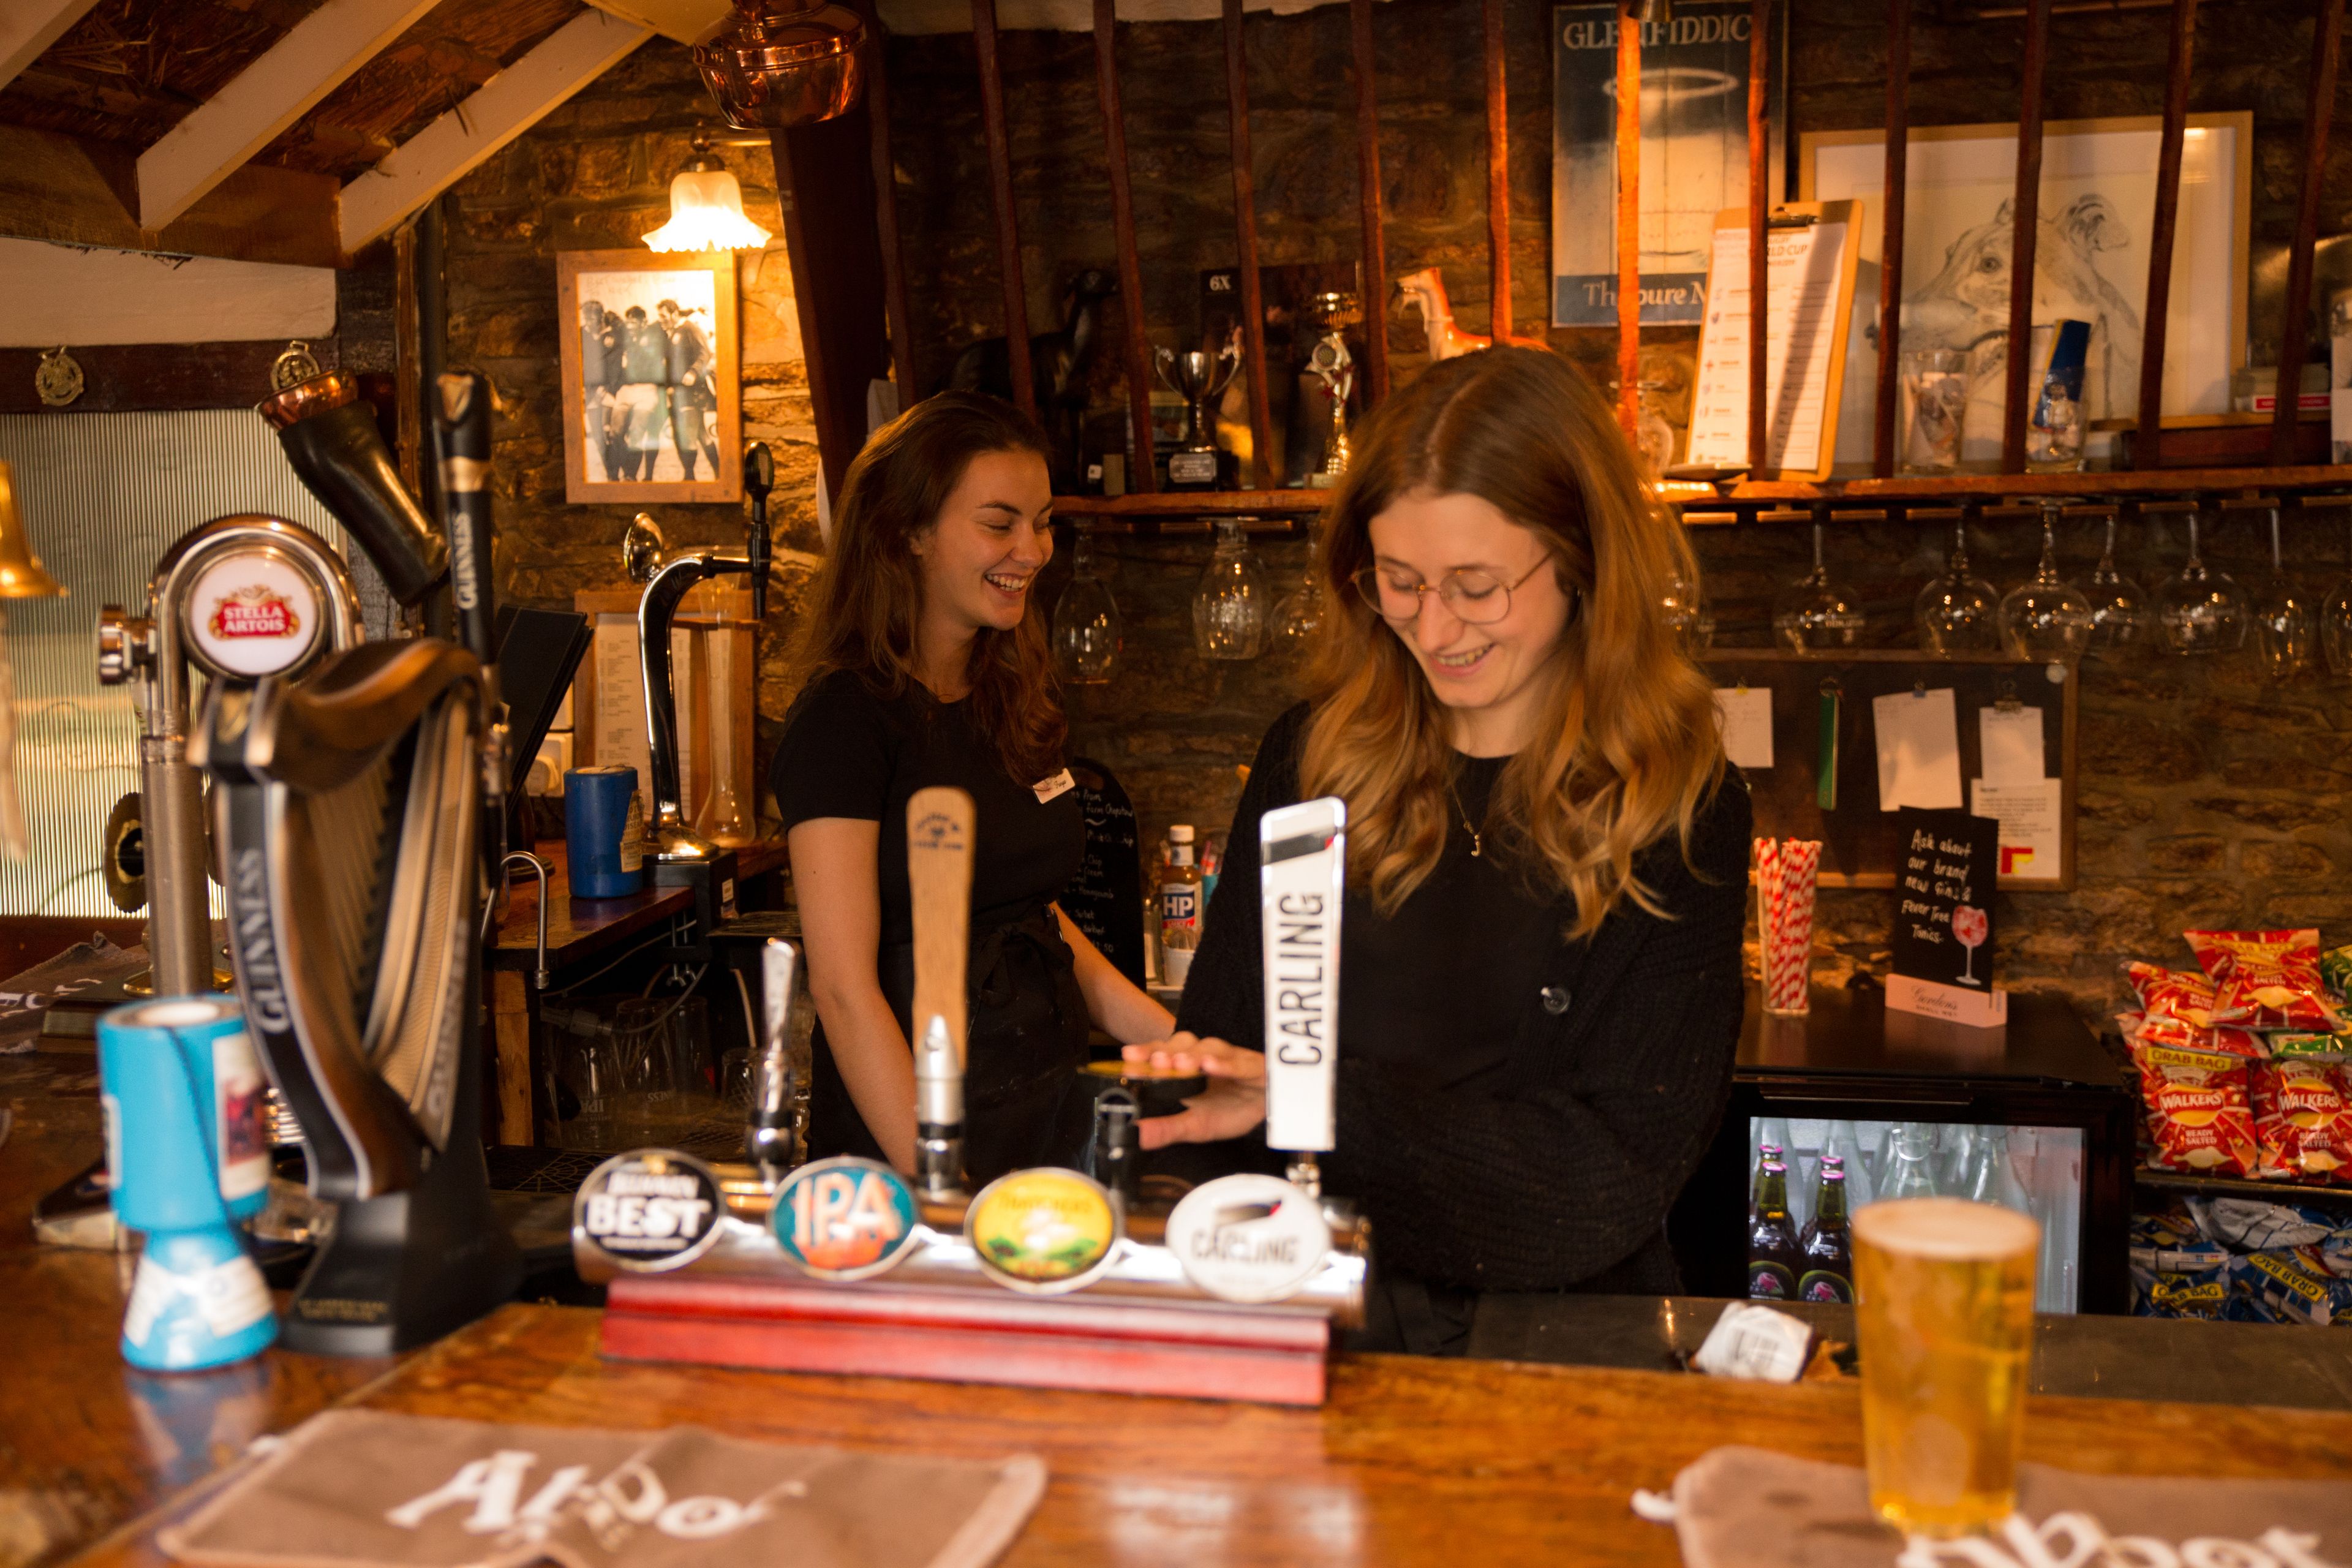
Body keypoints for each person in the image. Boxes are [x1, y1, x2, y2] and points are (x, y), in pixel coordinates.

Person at [1126, 346, 1750, 1354]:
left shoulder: (1680, 809)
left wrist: (1324, 1110)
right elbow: (1229, 1093)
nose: (1434, 626)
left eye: (1477, 586)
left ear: (1584, 557)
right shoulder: (1311, 763)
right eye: (1400, 581)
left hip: (1558, 1371)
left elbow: (1602, 1185)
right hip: (1317, 1342)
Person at [773, 392, 1175, 1184]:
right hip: (908, 1146)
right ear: (908, 533)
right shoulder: (845, 721)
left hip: (1044, 1111)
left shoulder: (1008, 694)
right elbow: (846, 991)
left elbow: (1032, 912)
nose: (1033, 549)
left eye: (1043, 520)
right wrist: (941, 1181)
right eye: (1000, 523)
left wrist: (1176, 1040)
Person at [659, 299, 721, 481]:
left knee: (688, 434)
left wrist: (693, 372)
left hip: (693, 392)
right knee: (701, 433)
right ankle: (718, 472)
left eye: (664, 316)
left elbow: (705, 353)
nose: (662, 320)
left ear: (675, 314)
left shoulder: (689, 329)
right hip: (680, 393)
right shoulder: (674, 333)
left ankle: (689, 476)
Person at [616, 304, 670, 480]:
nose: (630, 326)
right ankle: (628, 470)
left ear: (643, 322)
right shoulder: (627, 338)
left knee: (638, 432)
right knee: (615, 433)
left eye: (634, 322)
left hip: (650, 390)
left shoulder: (654, 333)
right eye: (628, 322)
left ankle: (633, 475)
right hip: (628, 390)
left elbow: (661, 325)